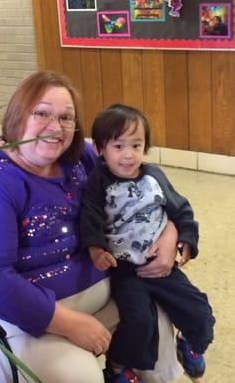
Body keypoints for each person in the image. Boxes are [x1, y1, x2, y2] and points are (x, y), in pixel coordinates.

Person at [0, 71, 182, 383]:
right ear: (16, 115)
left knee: (161, 313)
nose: (55, 127)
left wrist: (170, 233)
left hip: (95, 290)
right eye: (41, 113)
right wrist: (67, 323)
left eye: (66, 117)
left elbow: (144, 192)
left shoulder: (81, 158)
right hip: (6, 315)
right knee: (79, 376)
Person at [80, 104, 215, 382]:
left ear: (146, 147)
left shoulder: (154, 177)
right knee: (139, 321)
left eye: (136, 145)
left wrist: (186, 242)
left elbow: (181, 210)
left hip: (162, 266)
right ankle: (118, 367)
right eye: (118, 146)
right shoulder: (99, 181)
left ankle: (190, 344)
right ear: (101, 149)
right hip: (126, 270)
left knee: (199, 309)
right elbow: (89, 215)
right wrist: (95, 249)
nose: (128, 155)